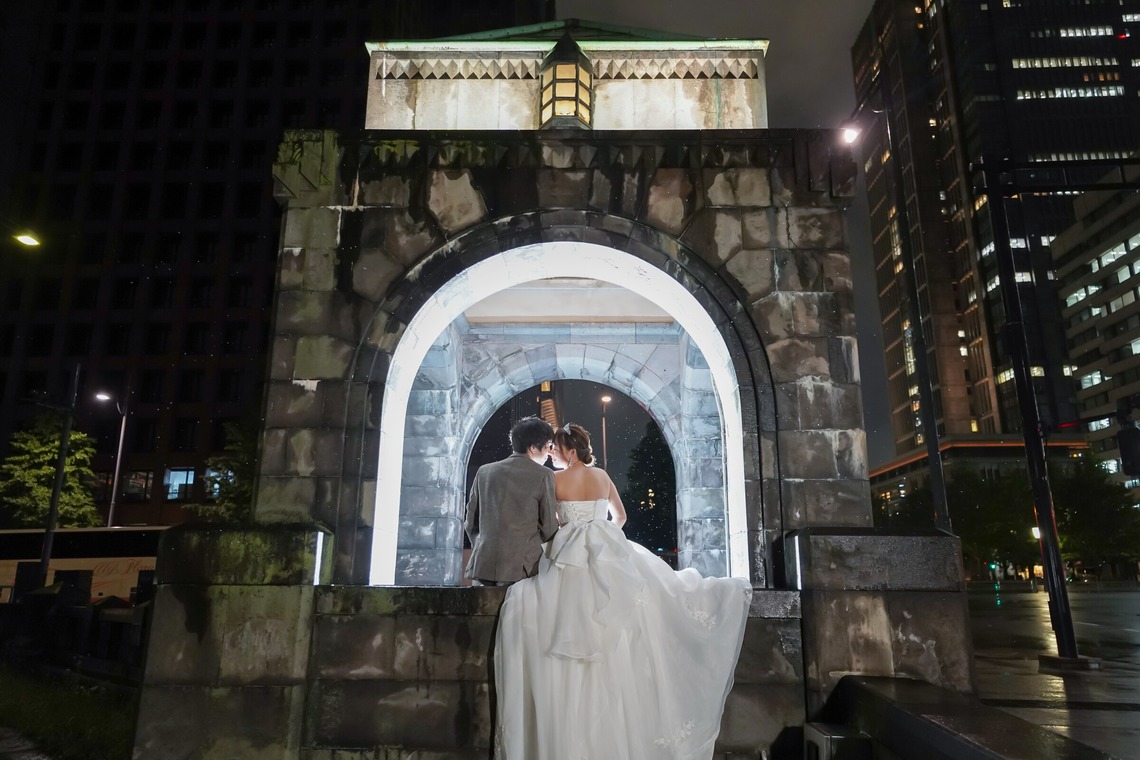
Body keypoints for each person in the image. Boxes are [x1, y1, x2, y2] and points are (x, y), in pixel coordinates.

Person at [494, 423, 752, 760]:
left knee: (548, 616)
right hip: (606, 551)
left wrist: (572, 534)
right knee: (629, 623)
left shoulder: (554, 480)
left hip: (567, 558)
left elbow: (549, 524)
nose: (553, 453)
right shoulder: (602, 477)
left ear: (570, 451)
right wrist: (601, 534)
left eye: (557, 448)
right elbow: (621, 516)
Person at [464, 416, 559, 586]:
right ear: (532, 448)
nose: (548, 453)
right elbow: (549, 527)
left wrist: (483, 544)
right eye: (546, 447)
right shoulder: (543, 474)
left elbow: (470, 523)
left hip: (483, 564)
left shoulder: (484, 472)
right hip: (522, 566)